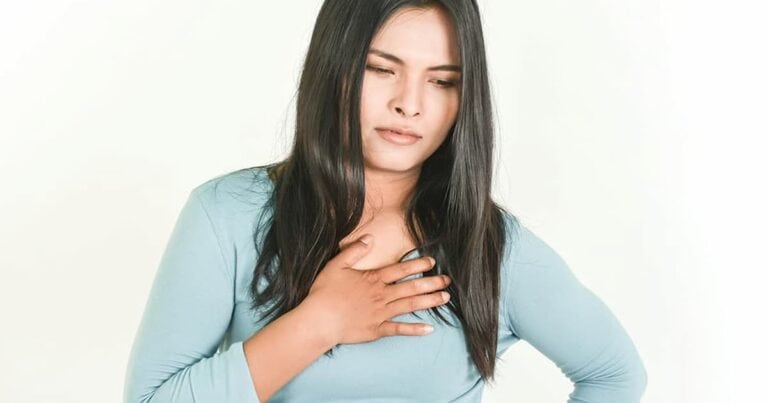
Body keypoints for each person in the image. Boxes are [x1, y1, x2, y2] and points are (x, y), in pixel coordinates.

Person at [123, 1, 648, 402]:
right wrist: (320, 322)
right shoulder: (228, 215)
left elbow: (615, 376)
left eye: (442, 81)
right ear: (335, 67)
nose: (409, 104)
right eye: (381, 69)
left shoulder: (492, 247)